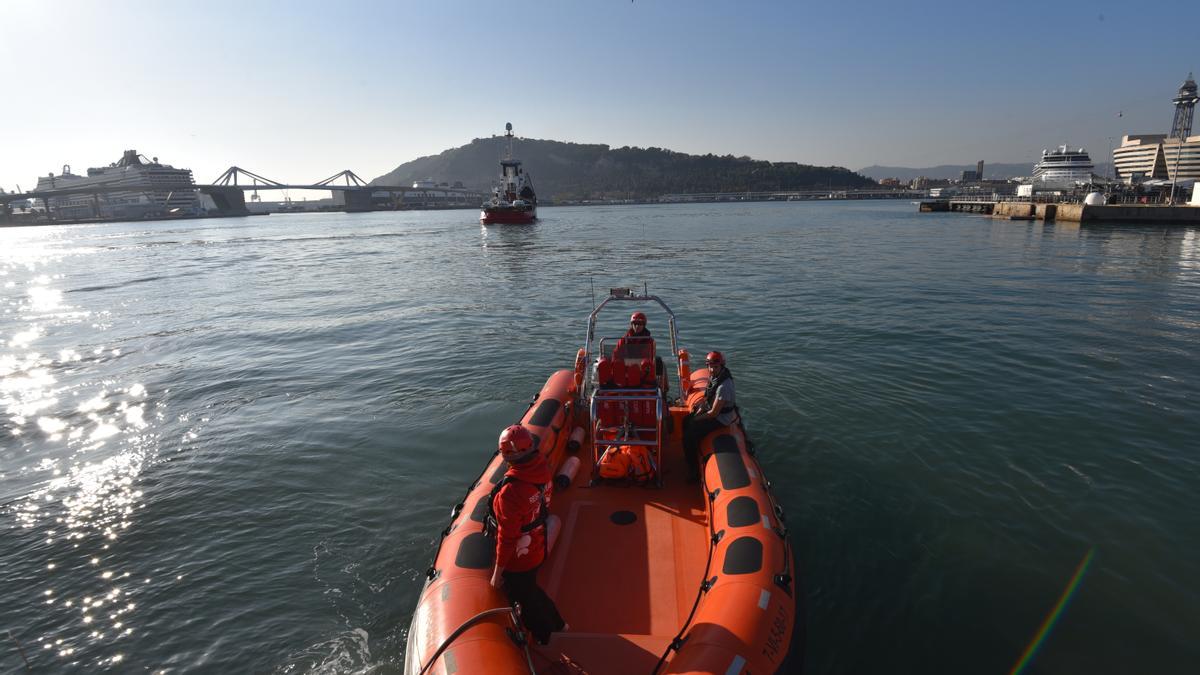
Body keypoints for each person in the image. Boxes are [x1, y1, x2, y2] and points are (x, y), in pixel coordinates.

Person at [487, 424, 566, 645]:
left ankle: (547, 637)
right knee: (531, 589)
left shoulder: (510, 494)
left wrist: (497, 574)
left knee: (527, 598)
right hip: (539, 545)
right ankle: (559, 623)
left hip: (519, 559)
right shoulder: (542, 470)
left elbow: (507, 537)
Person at [682, 351, 738, 483]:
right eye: (709, 366)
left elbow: (714, 413)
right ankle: (691, 452)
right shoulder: (715, 378)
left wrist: (697, 419)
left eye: (715, 367)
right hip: (713, 410)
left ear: (721, 366)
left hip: (721, 419)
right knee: (686, 421)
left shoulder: (724, 386)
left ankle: (694, 472)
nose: (711, 369)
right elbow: (707, 397)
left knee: (689, 436)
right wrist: (699, 410)